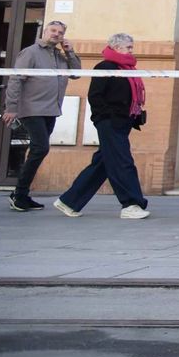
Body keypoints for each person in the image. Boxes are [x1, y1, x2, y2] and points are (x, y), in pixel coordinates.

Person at [53, 33, 150, 220]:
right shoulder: (105, 67)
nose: (131, 50)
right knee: (123, 162)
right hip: (110, 123)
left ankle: (69, 201)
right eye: (128, 47)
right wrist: (106, 117)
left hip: (123, 122)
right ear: (116, 47)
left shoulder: (129, 69)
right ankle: (131, 203)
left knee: (104, 163)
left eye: (131, 47)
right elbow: (95, 96)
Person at [1, 19, 81, 212]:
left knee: (39, 149)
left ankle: (21, 195)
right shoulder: (30, 52)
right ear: (44, 31)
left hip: (51, 110)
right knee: (40, 148)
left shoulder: (60, 56)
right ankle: (19, 195)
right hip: (32, 109)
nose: (56, 34)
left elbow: (76, 73)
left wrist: (69, 51)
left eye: (60, 32)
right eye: (53, 30)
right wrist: (11, 107)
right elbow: (16, 79)